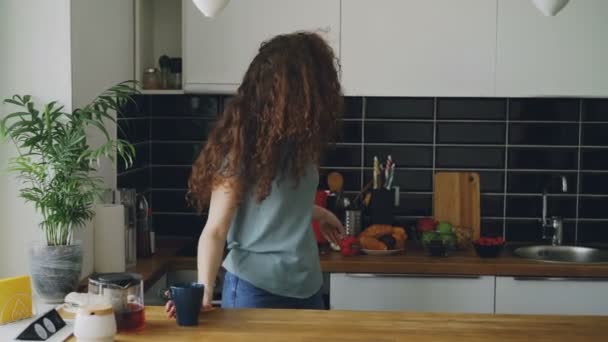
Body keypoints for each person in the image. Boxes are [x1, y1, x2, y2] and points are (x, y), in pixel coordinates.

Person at [165, 31, 345, 315]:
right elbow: (215, 230)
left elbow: (275, 203)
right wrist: (205, 292)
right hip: (256, 289)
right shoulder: (240, 149)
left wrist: (318, 213)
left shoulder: (300, 143)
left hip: (308, 287)